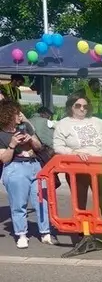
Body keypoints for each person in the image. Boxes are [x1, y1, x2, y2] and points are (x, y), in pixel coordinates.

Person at [0, 100, 52, 248]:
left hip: (35, 165)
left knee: (41, 200)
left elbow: (39, 147)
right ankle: (21, 234)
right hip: (15, 168)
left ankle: (45, 232)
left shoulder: (25, 127)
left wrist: (31, 140)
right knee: (18, 203)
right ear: (8, 115)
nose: (20, 115)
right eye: (17, 113)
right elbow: (4, 159)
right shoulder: (1, 135)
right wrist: (12, 144)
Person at [53, 92, 102, 213]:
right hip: (77, 169)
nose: (82, 109)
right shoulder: (63, 124)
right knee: (80, 203)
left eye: (85, 106)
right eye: (78, 106)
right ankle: (82, 225)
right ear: (71, 107)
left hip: (99, 168)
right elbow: (58, 147)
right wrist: (74, 153)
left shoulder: (98, 122)